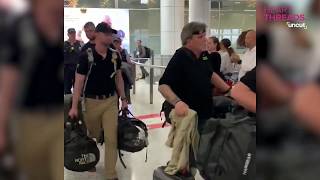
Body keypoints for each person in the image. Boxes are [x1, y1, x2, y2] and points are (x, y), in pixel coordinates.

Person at [0, 0, 64, 179]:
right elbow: (8, 83)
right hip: (29, 121)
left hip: (59, 120)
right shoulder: (20, 29)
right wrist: (2, 128)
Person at [68, 22, 127, 180]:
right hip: (90, 102)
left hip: (110, 101)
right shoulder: (86, 55)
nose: (110, 36)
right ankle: (91, 158)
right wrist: (74, 107)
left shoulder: (115, 55)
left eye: (111, 34)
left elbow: (119, 78)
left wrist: (124, 99)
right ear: (98, 34)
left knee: (111, 137)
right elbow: (78, 82)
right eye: (107, 34)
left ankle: (110, 174)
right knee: (92, 134)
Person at [159, 21, 231, 131]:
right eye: (200, 37)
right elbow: (163, 85)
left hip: (205, 111)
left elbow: (210, 73)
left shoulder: (204, 55)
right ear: (188, 40)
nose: (205, 39)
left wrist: (229, 91)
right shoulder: (181, 56)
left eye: (204, 36)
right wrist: (177, 102)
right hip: (188, 115)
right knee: (191, 147)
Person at [113, 35, 133, 104]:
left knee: (126, 94)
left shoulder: (124, 51)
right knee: (116, 97)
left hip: (125, 78)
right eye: (115, 42)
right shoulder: (112, 52)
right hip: (116, 77)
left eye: (117, 42)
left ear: (120, 43)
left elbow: (129, 62)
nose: (116, 44)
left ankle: (126, 110)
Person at [64, 28, 82, 94]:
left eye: (74, 33)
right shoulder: (65, 44)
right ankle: (67, 103)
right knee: (67, 87)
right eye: (71, 33)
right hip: (67, 69)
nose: (72, 35)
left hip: (77, 68)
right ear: (68, 34)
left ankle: (76, 103)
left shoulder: (79, 43)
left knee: (77, 87)